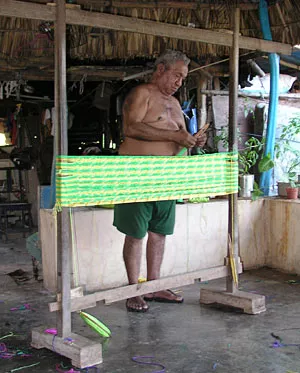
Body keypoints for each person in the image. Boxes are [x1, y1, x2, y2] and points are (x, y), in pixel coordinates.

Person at [113, 50, 207, 312]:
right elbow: (131, 128)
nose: (179, 82)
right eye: (176, 75)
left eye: (183, 77)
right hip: (138, 173)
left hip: (168, 176)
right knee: (135, 233)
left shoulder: (176, 104)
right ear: (160, 70)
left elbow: (179, 136)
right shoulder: (142, 93)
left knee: (159, 233)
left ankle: (153, 287)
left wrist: (193, 139)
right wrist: (177, 138)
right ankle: (134, 290)